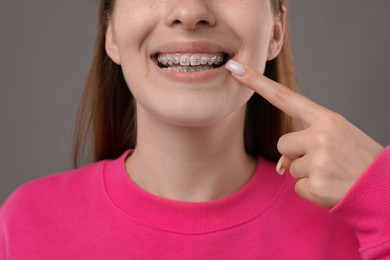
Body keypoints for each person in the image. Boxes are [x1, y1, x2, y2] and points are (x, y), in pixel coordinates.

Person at [1, 0, 389, 259]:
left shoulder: (358, 229)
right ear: (112, 34)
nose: (189, 11)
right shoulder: (23, 226)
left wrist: (384, 197)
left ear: (275, 31)